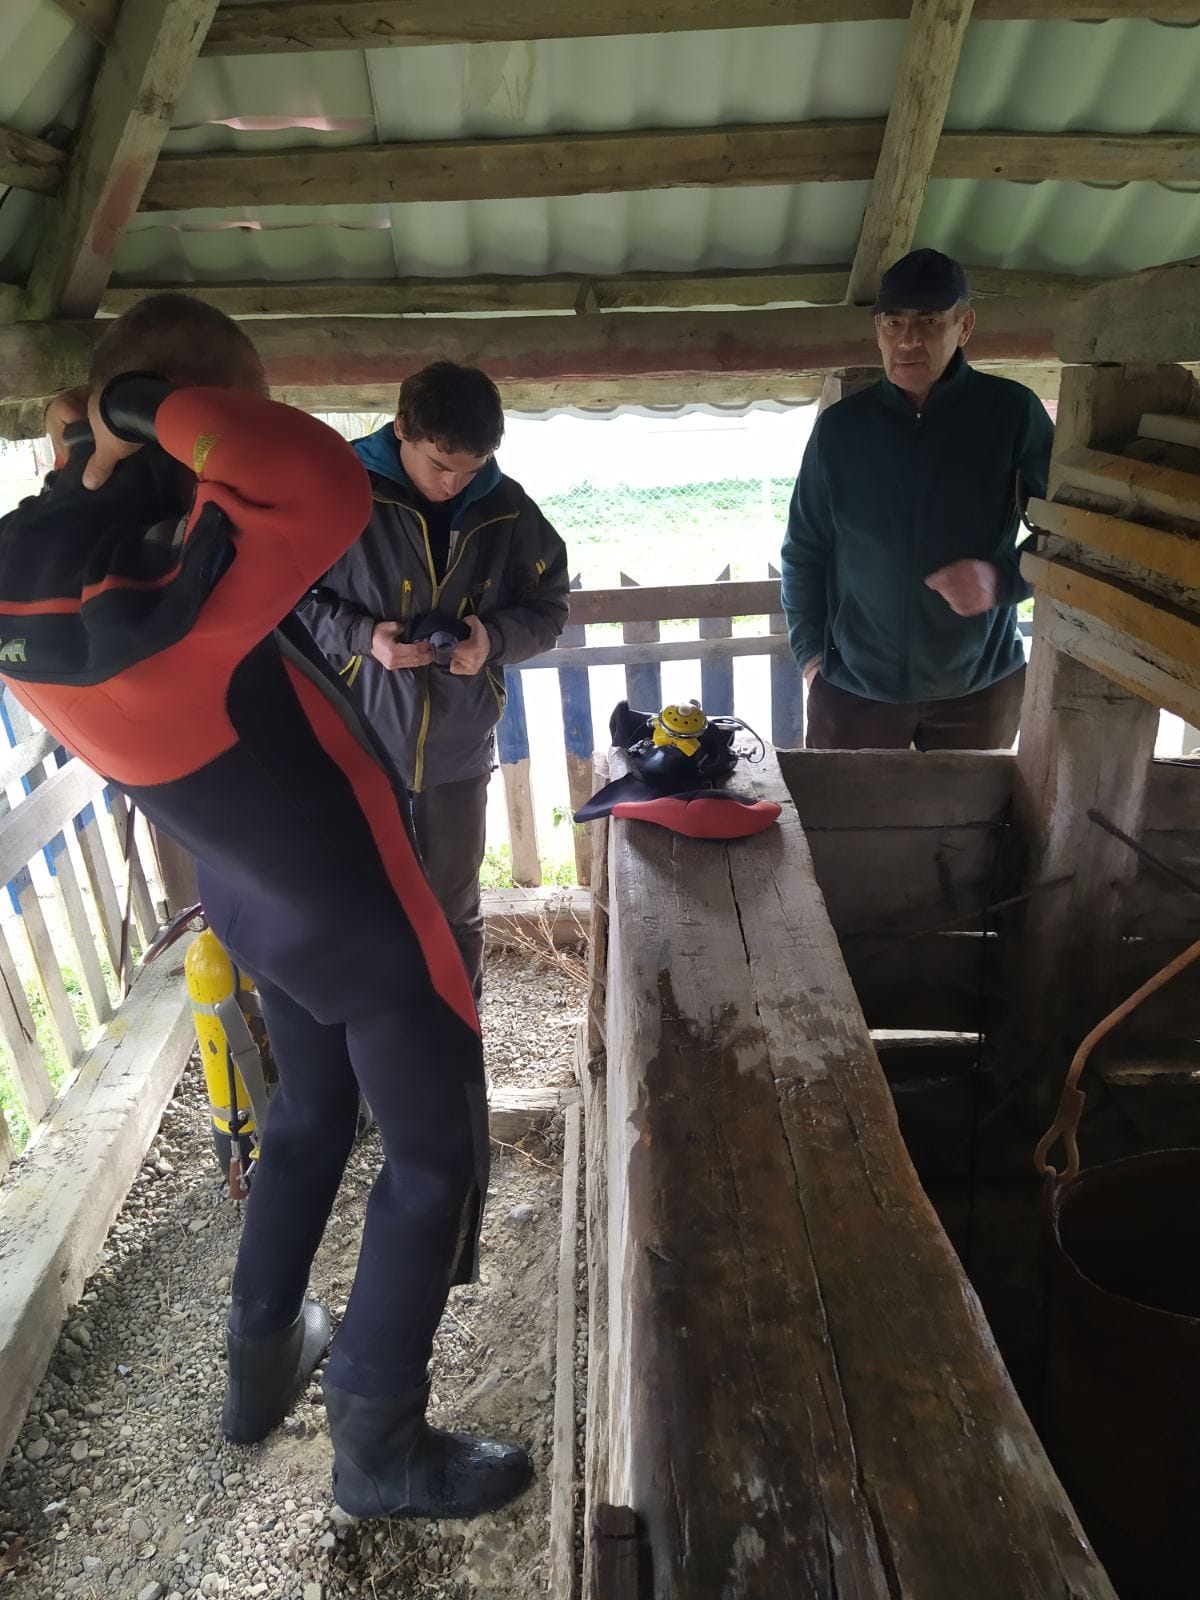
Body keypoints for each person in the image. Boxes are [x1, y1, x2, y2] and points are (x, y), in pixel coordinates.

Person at [0, 294, 532, 1521]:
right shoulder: (191, 566)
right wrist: (141, 413)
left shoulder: (39, 566)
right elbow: (315, 480)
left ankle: (262, 1359)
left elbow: (127, 498)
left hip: (251, 898)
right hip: (360, 910)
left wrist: (95, 440)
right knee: (436, 1152)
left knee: (308, 1113)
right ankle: (380, 1441)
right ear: (206, 415)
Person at [299, 364, 569, 998]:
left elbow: (551, 607)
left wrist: (492, 640)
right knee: (365, 906)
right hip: (359, 743)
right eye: (438, 465)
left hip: (459, 749)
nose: (452, 484)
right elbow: (288, 600)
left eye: (470, 470)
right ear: (401, 431)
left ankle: (457, 1043)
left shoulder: (508, 509)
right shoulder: (338, 491)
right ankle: (383, 1052)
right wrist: (365, 638)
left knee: (454, 908)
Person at [780, 248, 1055, 751]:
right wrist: (812, 658)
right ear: (878, 330)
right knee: (843, 825)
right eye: (893, 322)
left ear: (964, 326)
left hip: (980, 688)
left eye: (930, 321)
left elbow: (1065, 536)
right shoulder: (841, 431)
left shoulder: (1012, 414)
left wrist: (1002, 580)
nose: (909, 339)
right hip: (854, 689)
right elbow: (804, 550)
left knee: (970, 826)